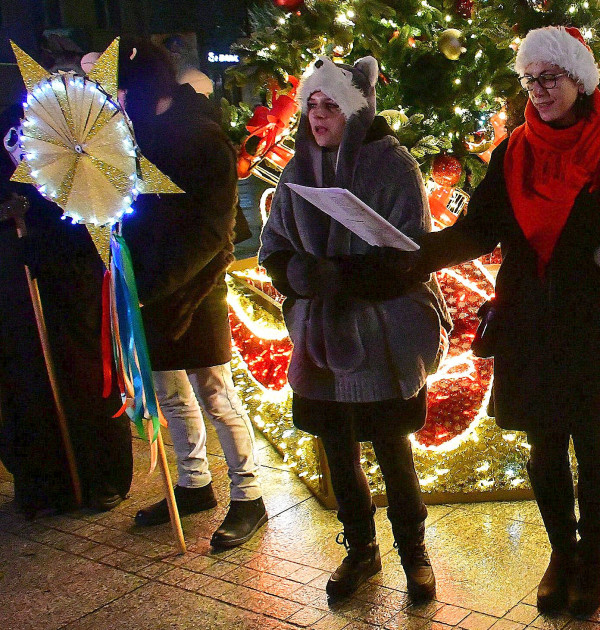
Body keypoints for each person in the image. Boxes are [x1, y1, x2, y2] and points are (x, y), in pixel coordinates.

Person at [410, 26, 600, 616]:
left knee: (595, 446)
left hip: (597, 325)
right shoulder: (512, 151)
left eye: (551, 77)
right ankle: (561, 552)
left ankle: (592, 557)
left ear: (579, 80)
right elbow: (480, 228)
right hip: (531, 320)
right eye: (532, 79)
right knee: (545, 447)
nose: (540, 90)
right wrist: (418, 252)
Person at [259, 55, 451, 601]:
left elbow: (409, 255)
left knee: (392, 448)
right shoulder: (298, 169)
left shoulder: (393, 165)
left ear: (356, 109)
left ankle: (415, 554)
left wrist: (340, 275)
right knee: (337, 449)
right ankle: (361, 550)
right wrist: (300, 273)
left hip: (382, 332)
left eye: (332, 106)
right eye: (312, 105)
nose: (319, 117)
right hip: (319, 334)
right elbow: (274, 248)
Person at [117, 37, 268, 549]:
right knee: (170, 394)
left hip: (193, 285)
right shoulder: (137, 134)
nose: (116, 101)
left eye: (120, 91)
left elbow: (213, 231)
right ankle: (193, 483)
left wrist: (157, 285)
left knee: (214, 393)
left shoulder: (200, 137)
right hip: (150, 287)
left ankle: (249, 495)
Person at [0, 105, 132, 516]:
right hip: (14, 273)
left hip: (69, 265)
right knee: (26, 376)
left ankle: (100, 475)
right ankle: (43, 480)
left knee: (84, 369)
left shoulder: (55, 115)